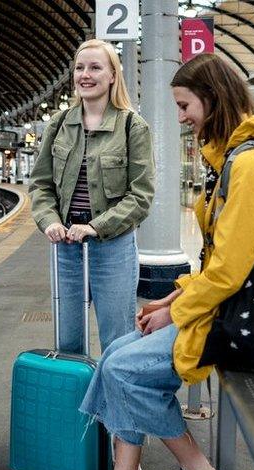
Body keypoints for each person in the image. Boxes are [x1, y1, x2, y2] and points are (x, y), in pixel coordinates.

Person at [67, 53, 254, 470]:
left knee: (126, 369)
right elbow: (225, 264)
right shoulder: (234, 159)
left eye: (185, 104)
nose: (182, 117)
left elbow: (232, 272)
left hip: (253, 319)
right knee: (115, 351)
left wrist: (176, 316)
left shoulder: (252, 165)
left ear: (213, 100)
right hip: (233, 304)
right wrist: (171, 301)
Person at [29, 39, 154, 354]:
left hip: (113, 249)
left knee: (117, 340)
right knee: (68, 341)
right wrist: (49, 221)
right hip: (66, 249)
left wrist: (98, 226)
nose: (85, 74)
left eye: (95, 67)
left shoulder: (132, 127)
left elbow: (141, 195)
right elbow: (41, 184)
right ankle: (75, 403)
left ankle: (112, 404)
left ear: (113, 75)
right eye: (80, 68)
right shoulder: (58, 125)